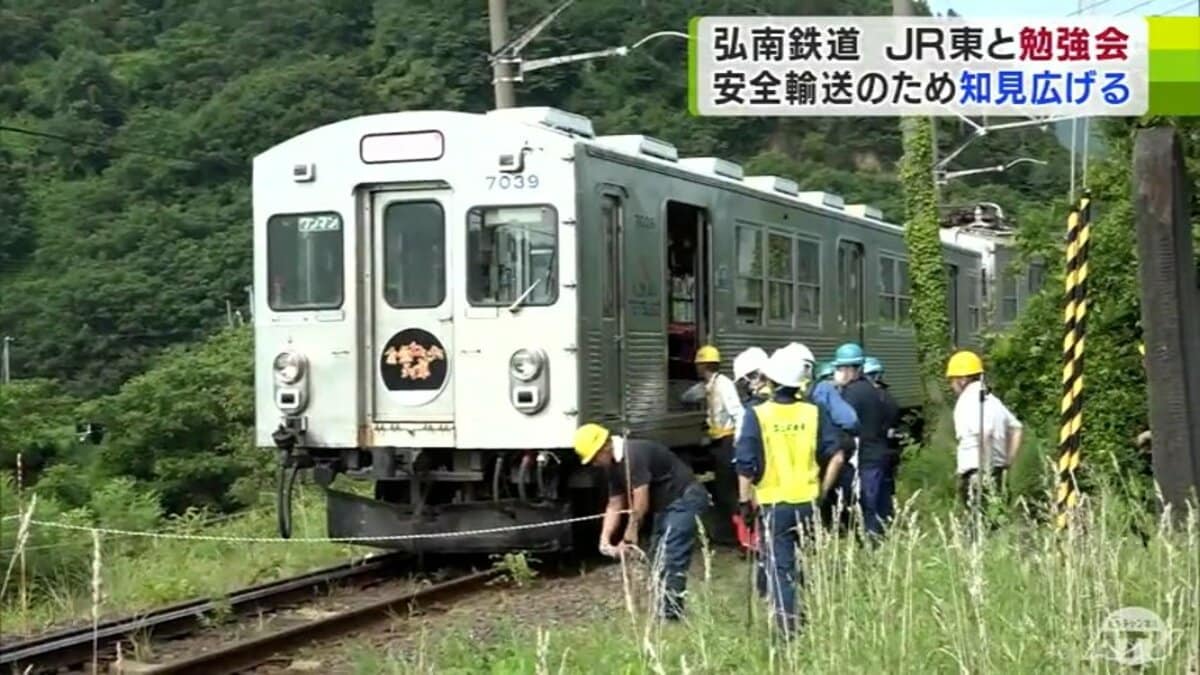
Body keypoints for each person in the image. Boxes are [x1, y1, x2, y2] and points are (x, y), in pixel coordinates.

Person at [734, 344, 827, 637]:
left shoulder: (757, 415)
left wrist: (744, 502)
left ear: (771, 380)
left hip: (775, 502)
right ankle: (812, 612)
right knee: (805, 559)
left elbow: (746, 465)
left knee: (781, 567)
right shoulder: (814, 412)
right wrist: (821, 490)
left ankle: (788, 628)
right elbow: (833, 453)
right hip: (808, 500)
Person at [573, 423, 711, 621]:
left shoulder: (633, 455)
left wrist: (630, 534)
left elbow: (641, 499)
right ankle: (664, 608)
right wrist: (604, 540)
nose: (594, 463)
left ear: (605, 447)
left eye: (594, 458)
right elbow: (614, 504)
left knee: (671, 555)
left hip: (684, 498)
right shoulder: (612, 466)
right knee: (656, 556)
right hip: (666, 505)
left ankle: (670, 616)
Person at [945, 350, 1023, 509]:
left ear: (962, 379)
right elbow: (1017, 428)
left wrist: (985, 472)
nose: (951, 385)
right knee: (997, 526)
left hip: (978, 475)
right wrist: (1008, 460)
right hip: (998, 473)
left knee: (977, 528)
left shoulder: (966, 401)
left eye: (952, 380)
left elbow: (984, 432)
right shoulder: (993, 400)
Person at [682, 345, 743, 545]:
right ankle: (728, 531)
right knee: (720, 488)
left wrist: (737, 441)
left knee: (727, 490)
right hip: (717, 441)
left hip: (728, 440)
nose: (696, 368)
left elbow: (738, 412)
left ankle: (738, 535)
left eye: (699, 365)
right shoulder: (708, 385)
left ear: (705, 365)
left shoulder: (724, 384)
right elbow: (688, 396)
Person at [832, 342, 893, 541]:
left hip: (864, 457)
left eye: (841, 368)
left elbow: (843, 423)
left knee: (866, 504)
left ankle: (871, 545)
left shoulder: (851, 394)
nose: (838, 372)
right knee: (878, 504)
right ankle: (879, 539)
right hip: (878, 452)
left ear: (852, 369)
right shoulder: (871, 389)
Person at [808, 359, 860, 534]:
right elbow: (849, 419)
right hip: (832, 449)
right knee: (839, 490)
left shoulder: (808, 391)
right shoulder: (826, 390)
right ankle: (842, 529)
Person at [864, 356, 903, 530]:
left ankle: (873, 532)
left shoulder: (869, 398)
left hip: (872, 453)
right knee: (886, 491)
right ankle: (887, 524)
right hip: (889, 452)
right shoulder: (889, 398)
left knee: (872, 497)